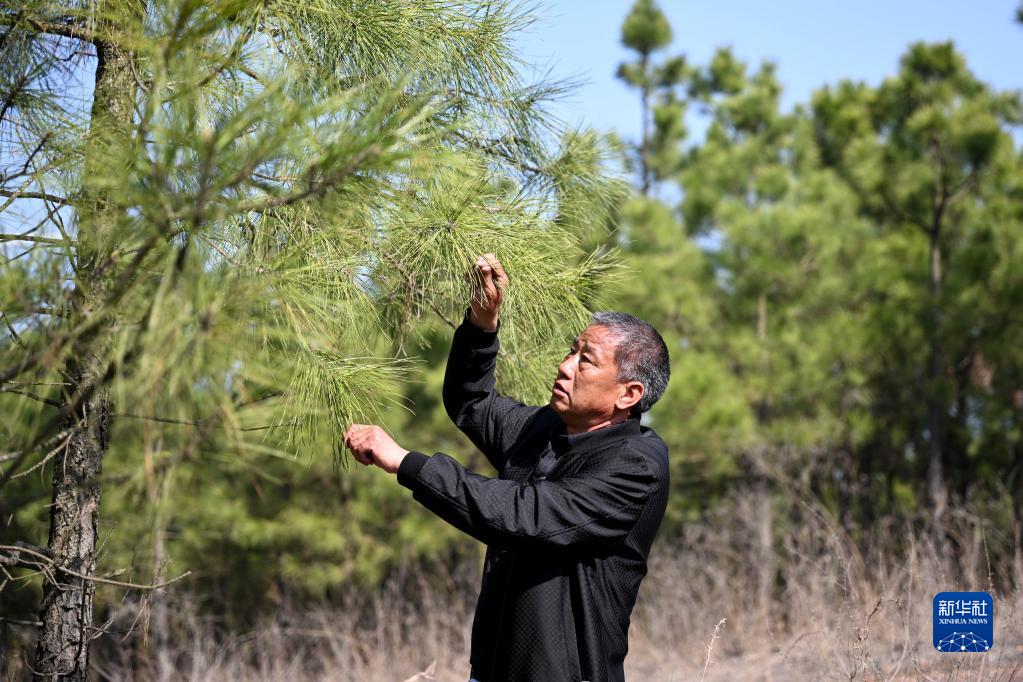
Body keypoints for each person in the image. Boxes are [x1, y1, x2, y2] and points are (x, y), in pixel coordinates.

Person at [344, 253, 671, 682]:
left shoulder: (635, 466)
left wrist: (407, 463)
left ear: (628, 394)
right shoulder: (543, 429)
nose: (565, 366)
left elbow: (527, 515)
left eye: (586, 361)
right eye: (571, 351)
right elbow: (471, 402)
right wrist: (482, 324)